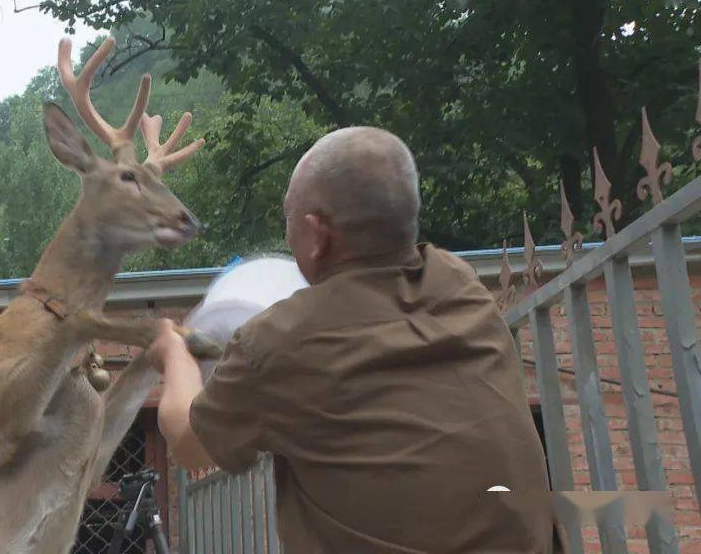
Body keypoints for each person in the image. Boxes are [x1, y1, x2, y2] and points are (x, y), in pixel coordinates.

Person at [147, 127, 557, 553]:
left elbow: (189, 444)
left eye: (289, 219)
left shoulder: (281, 341)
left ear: (317, 234)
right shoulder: (461, 286)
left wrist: (174, 353)